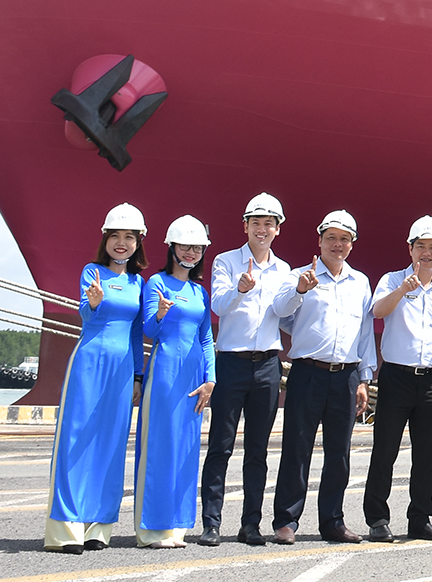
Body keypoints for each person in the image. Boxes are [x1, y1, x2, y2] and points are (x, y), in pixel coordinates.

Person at [45, 203, 148, 554]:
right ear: (105, 240)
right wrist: (93, 303)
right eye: (115, 236)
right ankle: (66, 527)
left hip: (121, 369)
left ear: (138, 243)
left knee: (112, 441)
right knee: (77, 437)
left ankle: (98, 526)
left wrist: (138, 375)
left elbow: (137, 334)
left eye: (129, 237)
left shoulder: (138, 282)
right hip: (90, 361)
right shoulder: (92, 272)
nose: (121, 243)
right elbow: (87, 317)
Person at [271, 211, 375, 545]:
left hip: (345, 375)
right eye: (331, 238)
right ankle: (287, 520)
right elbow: (281, 313)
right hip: (307, 371)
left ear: (352, 244)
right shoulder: (299, 275)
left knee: (339, 452)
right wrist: (300, 291)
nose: (337, 244)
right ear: (319, 241)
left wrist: (364, 376)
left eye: (344, 239)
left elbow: (364, 332)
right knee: (297, 448)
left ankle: (332, 520)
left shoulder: (360, 282)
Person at [200, 192, 296, 548]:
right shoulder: (226, 262)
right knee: (220, 447)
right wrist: (241, 289)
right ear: (245, 226)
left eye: (269, 223)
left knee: (258, 450)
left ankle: (250, 525)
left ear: (278, 229)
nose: (262, 228)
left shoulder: (285, 270)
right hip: (232, 362)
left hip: (268, 365)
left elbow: (285, 315)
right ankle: (211, 523)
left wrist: (300, 293)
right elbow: (219, 306)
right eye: (256, 222)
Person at [364, 215, 432, 542]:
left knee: (426, 454)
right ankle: (377, 518)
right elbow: (377, 312)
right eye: (421, 247)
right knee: (385, 449)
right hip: (396, 377)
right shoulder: (392, 280)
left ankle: (420, 518)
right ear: (410, 248)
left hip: (430, 380)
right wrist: (403, 290)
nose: (427, 253)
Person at [135, 215, 215, 548]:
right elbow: (149, 332)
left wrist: (211, 379)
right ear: (172, 247)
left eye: (197, 248)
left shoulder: (199, 291)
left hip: (194, 377)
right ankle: (152, 527)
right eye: (186, 246)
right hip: (165, 372)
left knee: (186, 448)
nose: (192, 253)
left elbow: (207, 337)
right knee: (160, 445)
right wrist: (160, 314)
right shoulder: (156, 283)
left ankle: (178, 525)